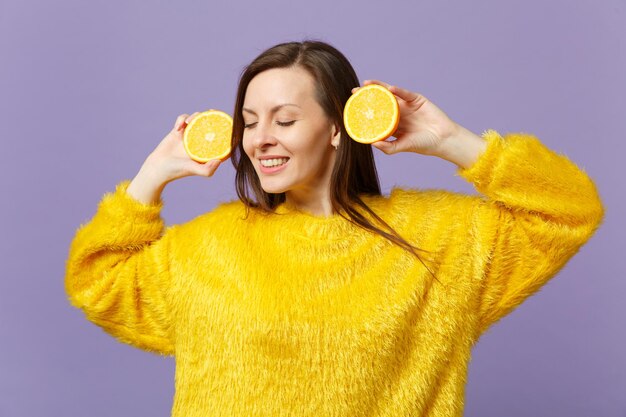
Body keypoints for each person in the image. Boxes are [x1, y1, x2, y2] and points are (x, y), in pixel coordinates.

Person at [64, 40, 605, 417]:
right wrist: (152, 175)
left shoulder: (439, 240)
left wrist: (451, 140)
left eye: (285, 119)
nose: (260, 140)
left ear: (338, 129)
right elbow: (97, 281)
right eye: (249, 122)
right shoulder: (209, 246)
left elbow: (567, 209)